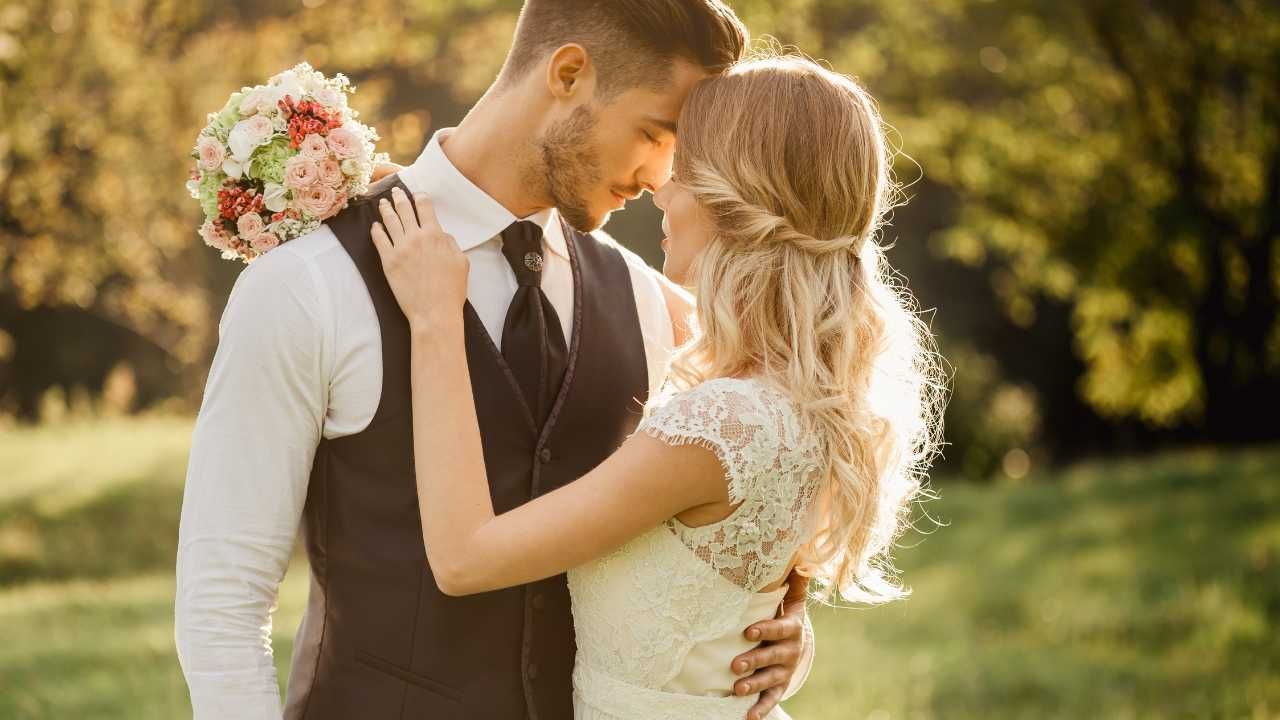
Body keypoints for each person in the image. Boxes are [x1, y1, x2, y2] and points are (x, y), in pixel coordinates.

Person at [175, 2, 815, 719]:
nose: (660, 175)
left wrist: (770, 639)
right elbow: (222, 605)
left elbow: (711, 513)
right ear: (569, 73)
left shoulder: (640, 298)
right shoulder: (307, 285)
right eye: (653, 132)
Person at [370, 53, 945, 719]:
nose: (662, 190)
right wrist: (440, 195)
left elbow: (466, 559)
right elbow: (622, 282)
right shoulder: (804, 391)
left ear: (739, 203)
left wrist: (437, 316)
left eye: (686, 171)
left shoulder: (718, 424)